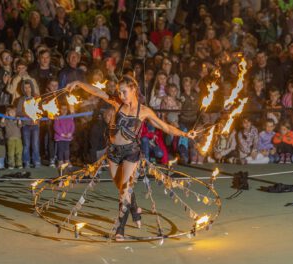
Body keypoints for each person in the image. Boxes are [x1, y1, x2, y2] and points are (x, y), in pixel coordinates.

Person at [65, 76, 196, 241]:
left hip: (130, 152)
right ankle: (135, 208)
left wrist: (185, 134)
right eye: (119, 92)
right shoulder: (117, 103)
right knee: (121, 188)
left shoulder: (144, 111)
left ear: (133, 89)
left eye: (124, 91)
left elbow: (166, 127)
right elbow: (98, 92)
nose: (121, 95)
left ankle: (120, 229)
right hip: (113, 152)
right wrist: (78, 82)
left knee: (124, 191)